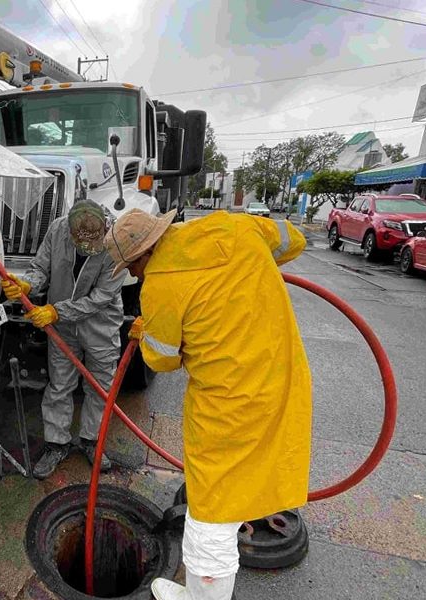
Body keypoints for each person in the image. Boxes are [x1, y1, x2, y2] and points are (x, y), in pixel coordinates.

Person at [105, 208, 311, 600]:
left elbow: (162, 360)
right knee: (254, 474)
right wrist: (246, 274)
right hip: (282, 377)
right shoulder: (233, 226)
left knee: (211, 512)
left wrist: (147, 331)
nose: (133, 274)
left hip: (228, 402)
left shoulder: (160, 287)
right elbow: (293, 241)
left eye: (131, 266)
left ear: (146, 252)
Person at [1, 200, 126, 479]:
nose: (87, 248)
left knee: (100, 387)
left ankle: (92, 441)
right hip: (62, 326)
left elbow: (100, 298)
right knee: (59, 384)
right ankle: (57, 444)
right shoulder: (57, 230)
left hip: (100, 327)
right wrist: (28, 285)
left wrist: (57, 311)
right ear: (69, 231)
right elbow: (40, 267)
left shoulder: (117, 243)